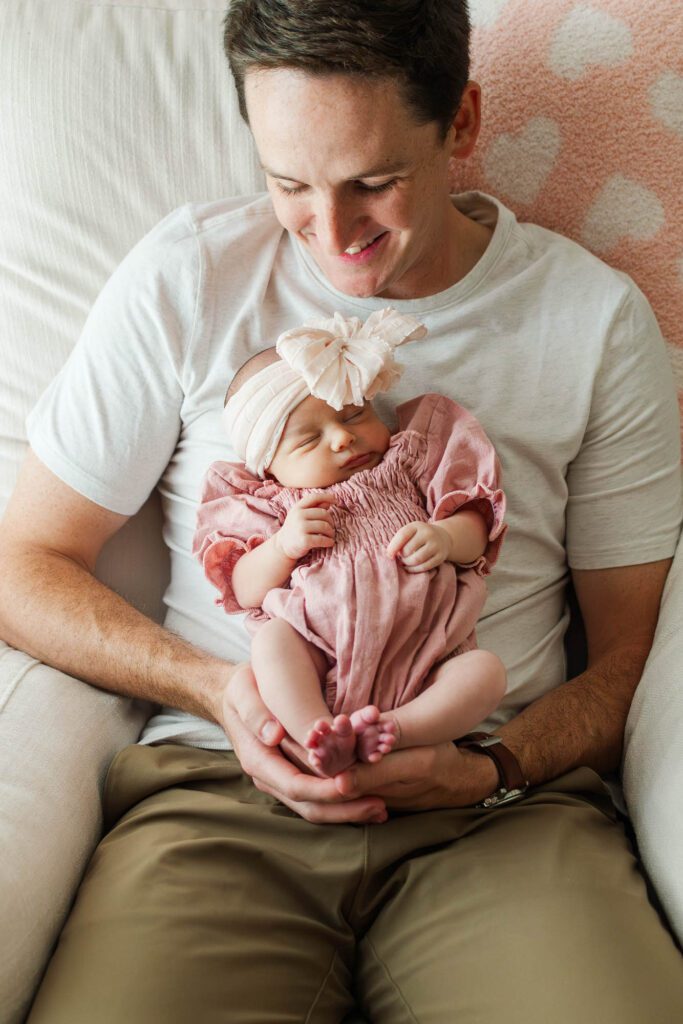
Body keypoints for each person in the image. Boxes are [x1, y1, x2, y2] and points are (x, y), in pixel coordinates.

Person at [0, 1, 681, 1020]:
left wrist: (488, 767)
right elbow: (24, 564)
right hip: (222, 802)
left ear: (458, 125)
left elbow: (627, 657)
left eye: (373, 182)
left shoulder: (589, 320)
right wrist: (220, 692)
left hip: (498, 815)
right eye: (287, 184)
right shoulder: (189, 276)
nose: (332, 235)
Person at [194, 310, 507, 776]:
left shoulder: (408, 460)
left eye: (355, 414)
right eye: (308, 440)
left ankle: (397, 728)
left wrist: (445, 536)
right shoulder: (276, 506)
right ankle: (316, 732)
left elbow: (477, 525)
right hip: (319, 647)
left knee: (485, 674)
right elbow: (244, 588)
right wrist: (282, 547)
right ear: (269, 468)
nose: (344, 437)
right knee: (275, 643)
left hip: (428, 651)